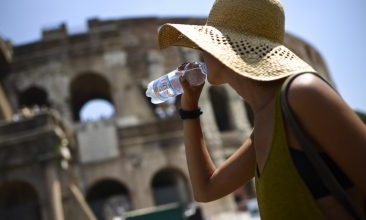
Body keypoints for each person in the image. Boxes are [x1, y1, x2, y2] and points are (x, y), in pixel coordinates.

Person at [157, 0, 366, 219]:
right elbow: (206, 189)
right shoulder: (268, 118)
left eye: (206, 44)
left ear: (225, 49)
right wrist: (189, 109)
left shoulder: (302, 93)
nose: (200, 52)